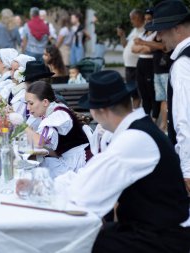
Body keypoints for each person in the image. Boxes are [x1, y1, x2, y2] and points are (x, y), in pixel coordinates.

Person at [59, 70, 190, 253]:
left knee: (73, 242)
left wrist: (48, 190)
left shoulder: (134, 139)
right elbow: (91, 177)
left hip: (164, 238)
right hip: (154, 230)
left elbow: (85, 194)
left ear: (100, 111)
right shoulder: (136, 130)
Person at [145, 0, 190, 192]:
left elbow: (185, 118)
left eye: (161, 30)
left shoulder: (183, 65)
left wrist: (187, 169)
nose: (158, 36)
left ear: (177, 28)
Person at [25, 81, 90, 178]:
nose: (28, 108)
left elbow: (40, 142)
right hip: (65, 158)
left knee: (38, 173)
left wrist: (22, 126)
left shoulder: (58, 115)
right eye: (27, 103)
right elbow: (51, 149)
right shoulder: (51, 112)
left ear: (45, 102)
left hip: (76, 163)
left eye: (31, 103)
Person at [132, 9, 160, 122]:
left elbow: (150, 49)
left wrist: (141, 45)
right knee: (142, 91)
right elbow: (133, 49)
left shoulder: (156, 34)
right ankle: (146, 116)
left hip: (150, 63)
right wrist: (143, 47)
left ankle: (154, 118)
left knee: (151, 92)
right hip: (141, 63)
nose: (147, 21)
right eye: (145, 19)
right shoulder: (143, 33)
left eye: (149, 19)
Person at [117, 9, 145, 84]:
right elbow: (125, 45)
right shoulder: (134, 30)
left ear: (139, 18)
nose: (131, 21)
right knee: (131, 91)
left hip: (137, 66)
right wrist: (122, 35)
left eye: (132, 19)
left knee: (138, 91)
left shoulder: (145, 30)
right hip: (129, 66)